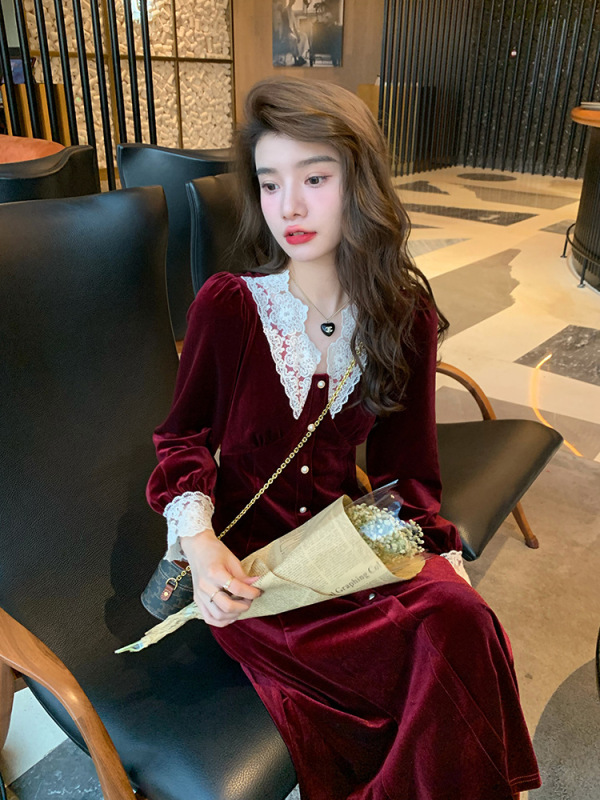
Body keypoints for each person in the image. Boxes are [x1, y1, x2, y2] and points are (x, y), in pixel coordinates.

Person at [146, 78, 541, 800]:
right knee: (432, 673)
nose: (288, 207)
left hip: (345, 552)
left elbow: (407, 474)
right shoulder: (231, 306)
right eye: (270, 184)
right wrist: (198, 546)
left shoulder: (402, 315)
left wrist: (436, 561)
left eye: (315, 178)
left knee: (462, 619)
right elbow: (182, 438)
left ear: (359, 184)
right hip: (251, 576)